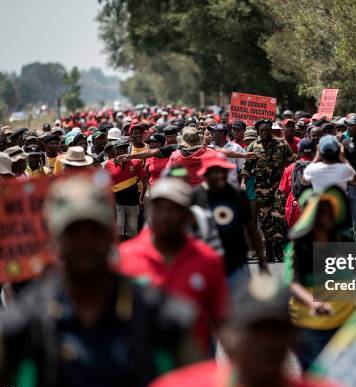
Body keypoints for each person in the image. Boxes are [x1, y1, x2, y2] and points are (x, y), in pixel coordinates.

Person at [0, 175, 197, 387]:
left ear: (110, 235)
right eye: (73, 232)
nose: (85, 241)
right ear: (55, 239)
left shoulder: (159, 314)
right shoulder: (23, 320)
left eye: (94, 231)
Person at [138, 274, 355, 387]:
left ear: (293, 338)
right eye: (256, 329)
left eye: (277, 330)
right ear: (226, 336)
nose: (268, 341)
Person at [118, 177, 229, 351]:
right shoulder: (124, 257)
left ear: (187, 214)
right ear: (148, 211)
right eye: (159, 208)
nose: (165, 215)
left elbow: (223, 320)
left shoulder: (208, 259)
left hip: (193, 367)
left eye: (173, 209)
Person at [284, 187, 356, 371]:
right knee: (317, 379)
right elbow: (293, 283)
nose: (328, 215)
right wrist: (313, 304)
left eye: (330, 209)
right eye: (322, 210)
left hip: (345, 324)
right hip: (312, 327)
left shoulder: (345, 242)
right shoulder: (297, 247)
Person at [191, 154, 268, 289]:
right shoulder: (194, 197)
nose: (221, 175)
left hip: (237, 265)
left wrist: (262, 263)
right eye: (215, 171)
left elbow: (251, 229)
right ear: (205, 173)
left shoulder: (238, 194)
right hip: (204, 267)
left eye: (223, 170)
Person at [240, 119, 294, 262]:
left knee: (278, 219)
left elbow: (290, 164)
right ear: (258, 131)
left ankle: (279, 250)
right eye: (262, 130)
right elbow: (246, 167)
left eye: (267, 130)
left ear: (271, 130)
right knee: (265, 221)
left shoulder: (282, 144)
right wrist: (244, 182)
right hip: (261, 190)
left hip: (279, 188)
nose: (265, 132)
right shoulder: (253, 145)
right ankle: (269, 250)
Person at [104, 138, 147, 240]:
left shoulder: (136, 162)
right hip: (117, 203)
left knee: (132, 230)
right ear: (115, 151)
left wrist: (144, 196)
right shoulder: (108, 164)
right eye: (120, 149)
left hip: (133, 202)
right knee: (119, 231)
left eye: (125, 149)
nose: (123, 151)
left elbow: (145, 181)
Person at [279, 139, 315, 227]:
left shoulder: (291, 168)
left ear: (299, 152)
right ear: (314, 152)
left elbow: (284, 190)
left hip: (295, 207)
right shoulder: (321, 168)